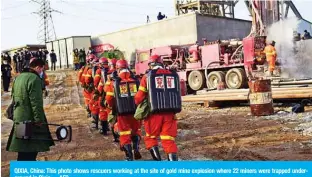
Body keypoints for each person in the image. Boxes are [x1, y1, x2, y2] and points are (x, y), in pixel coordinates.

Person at [6, 59, 55, 161]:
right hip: (30, 118)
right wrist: (38, 120)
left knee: (23, 149)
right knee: (31, 149)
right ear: (38, 67)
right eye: (42, 69)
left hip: (19, 117)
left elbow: (14, 97)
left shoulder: (18, 78)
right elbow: (36, 102)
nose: (42, 72)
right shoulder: (34, 79)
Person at [134, 55, 180, 161]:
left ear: (150, 65)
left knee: (150, 137)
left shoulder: (147, 77)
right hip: (170, 114)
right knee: (168, 140)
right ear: (161, 63)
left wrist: (137, 102)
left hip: (153, 115)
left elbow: (139, 97)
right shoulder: (173, 75)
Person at [105, 59, 142, 161]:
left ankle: (129, 156)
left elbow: (109, 98)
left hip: (122, 113)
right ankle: (136, 147)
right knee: (136, 130)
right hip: (135, 111)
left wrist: (113, 107)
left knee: (124, 134)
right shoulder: (136, 79)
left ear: (117, 69)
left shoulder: (113, 81)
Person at [93, 57, 110, 135]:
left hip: (103, 94)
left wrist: (97, 91)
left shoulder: (99, 71)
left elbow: (97, 83)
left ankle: (104, 129)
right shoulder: (111, 71)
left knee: (102, 111)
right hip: (112, 95)